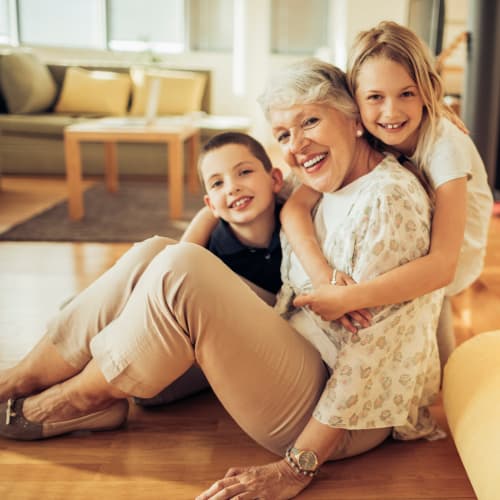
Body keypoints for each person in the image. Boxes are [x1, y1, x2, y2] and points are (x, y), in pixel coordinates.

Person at [1, 60, 443, 500]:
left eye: (310, 121)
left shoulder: (388, 200)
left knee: (183, 269)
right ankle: (22, 378)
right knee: (160, 251)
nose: (298, 145)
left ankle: (73, 401)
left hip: (342, 416)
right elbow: (241, 196)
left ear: (354, 120)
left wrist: (297, 467)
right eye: (284, 135)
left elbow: (377, 353)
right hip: (294, 353)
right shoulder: (319, 178)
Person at [0, 130, 284, 409]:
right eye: (218, 183)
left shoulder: (295, 223)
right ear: (211, 204)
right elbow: (164, 275)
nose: (232, 186)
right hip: (171, 333)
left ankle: (66, 376)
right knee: (154, 259)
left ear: (275, 179)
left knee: (131, 367)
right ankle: (30, 377)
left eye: (244, 172)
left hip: (224, 344)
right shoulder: (211, 234)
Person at [281, 21, 493, 365]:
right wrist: (325, 279)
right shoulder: (366, 129)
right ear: (355, 102)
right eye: (375, 97)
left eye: (406, 93)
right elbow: (294, 208)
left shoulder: (445, 145)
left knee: (431, 339)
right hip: (413, 243)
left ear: (426, 91)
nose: (391, 112)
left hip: (449, 257)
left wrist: (349, 299)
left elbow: (442, 266)